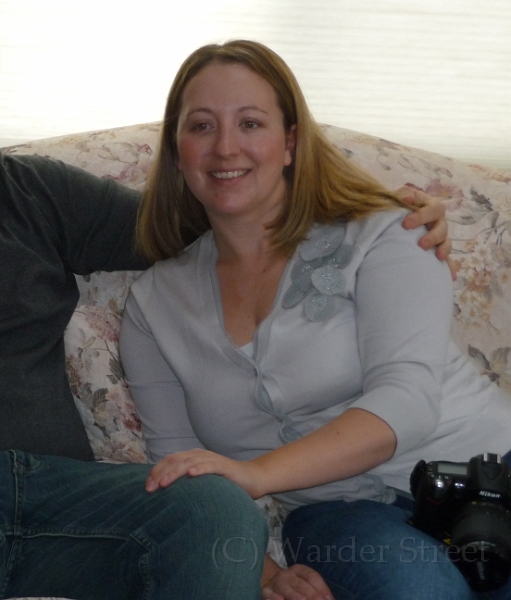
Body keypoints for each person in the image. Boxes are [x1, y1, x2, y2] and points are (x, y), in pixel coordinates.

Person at [0, 2, 448, 597]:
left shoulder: (28, 193)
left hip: (63, 498)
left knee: (213, 507)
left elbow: (215, 198)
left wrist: (372, 205)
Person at [119, 39, 511, 600]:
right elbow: (176, 469)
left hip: (485, 468)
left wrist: (258, 475)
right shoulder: (153, 305)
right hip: (342, 515)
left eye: (251, 123)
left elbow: (406, 400)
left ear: (290, 142)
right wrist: (263, 572)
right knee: (417, 591)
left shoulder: (387, 232)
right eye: (202, 126)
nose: (225, 147)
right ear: (177, 152)